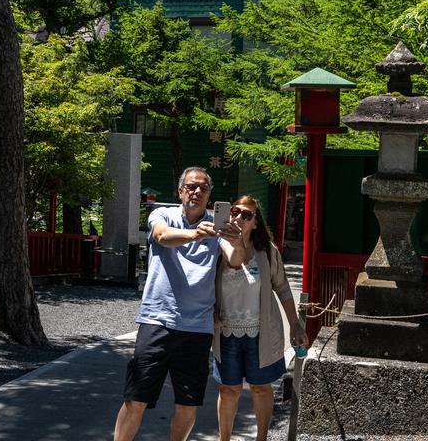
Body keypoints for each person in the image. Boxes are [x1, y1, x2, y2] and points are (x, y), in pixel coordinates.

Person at [113, 167, 245, 441]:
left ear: (210, 195)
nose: (197, 192)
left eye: (203, 188)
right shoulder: (163, 215)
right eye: (191, 187)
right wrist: (196, 234)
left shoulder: (217, 226)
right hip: (157, 321)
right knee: (135, 397)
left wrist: (237, 238)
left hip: (197, 327)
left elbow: (234, 260)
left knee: (187, 402)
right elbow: (162, 236)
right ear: (180, 191)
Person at [213, 195, 306, 441]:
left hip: (260, 332)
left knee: (260, 388)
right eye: (235, 212)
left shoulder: (266, 251)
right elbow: (202, 285)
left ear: (255, 223)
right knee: (229, 389)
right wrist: (210, 310)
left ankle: (261, 438)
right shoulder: (216, 246)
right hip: (226, 331)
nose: (239, 218)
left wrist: (295, 324)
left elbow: (283, 288)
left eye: (247, 215)